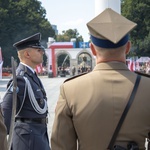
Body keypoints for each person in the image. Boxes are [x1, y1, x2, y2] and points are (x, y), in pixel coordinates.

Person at [51, 8, 150, 150]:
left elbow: (61, 146)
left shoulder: (70, 89)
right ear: (128, 47)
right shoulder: (147, 87)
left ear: (92, 49)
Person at [1, 33, 51, 150]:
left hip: (37, 136)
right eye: (38, 50)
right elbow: (5, 112)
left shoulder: (31, 76)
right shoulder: (20, 79)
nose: (42, 52)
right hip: (26, 141)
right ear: (27, 54)